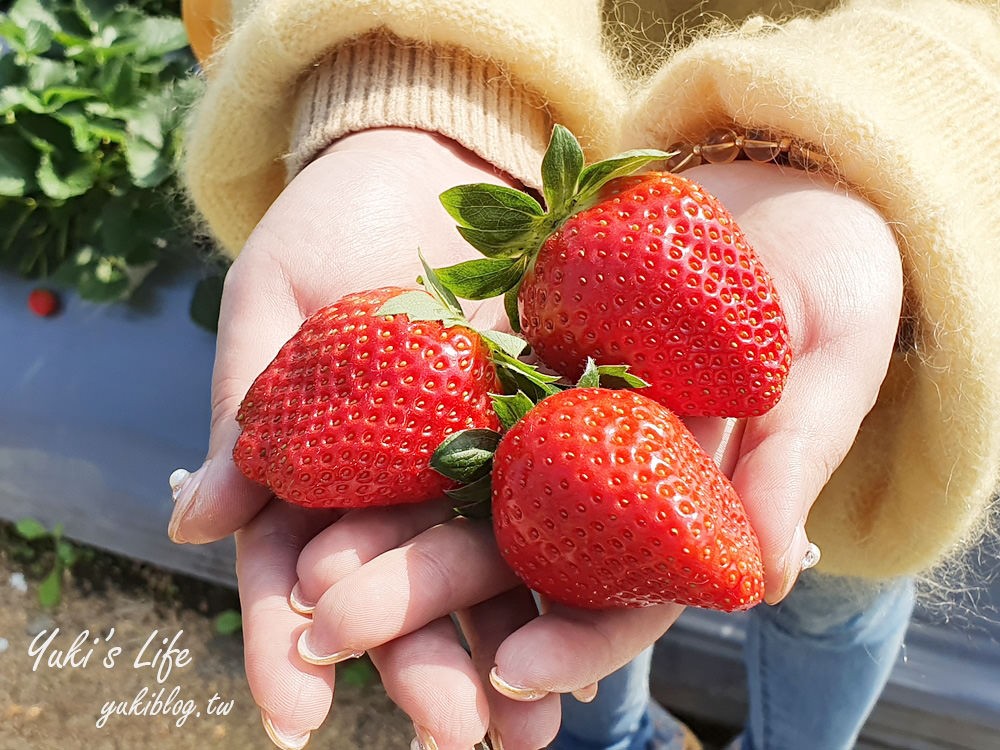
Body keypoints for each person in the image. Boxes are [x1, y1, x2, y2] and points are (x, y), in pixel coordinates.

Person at [168, 1, 1000, 748]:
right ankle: (618, 740)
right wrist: (427, 86)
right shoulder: (536, 396)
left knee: (831, 606)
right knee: (565, 623)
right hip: (546, 141)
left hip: (892, 366)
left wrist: (862, 144)